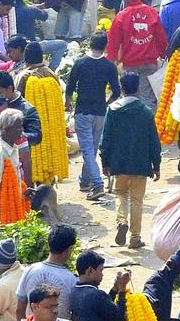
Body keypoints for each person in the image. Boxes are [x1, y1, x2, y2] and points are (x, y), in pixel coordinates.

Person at [100, 70, 162, 250]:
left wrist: (105, 161)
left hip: (119, 163)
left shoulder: (112, 110)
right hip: (140, 163)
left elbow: (106, 139)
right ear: (138, 89)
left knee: (120, 193)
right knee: (137, 200)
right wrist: (156, 165)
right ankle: (135, 238)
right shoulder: (146, 112)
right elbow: (153, 141)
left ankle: (121, 222)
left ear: (121, 88)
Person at [65, 34, 121, 197]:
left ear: (90, 45)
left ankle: (97, 184)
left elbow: (69, 87)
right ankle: (84, 181)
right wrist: (106, 103)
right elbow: (116, 92)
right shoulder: (109, 66)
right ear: (105, 47)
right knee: (92, 149)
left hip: (83, 110)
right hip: (100, 112)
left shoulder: (80, 63)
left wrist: (68, 103)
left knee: (88, 150)